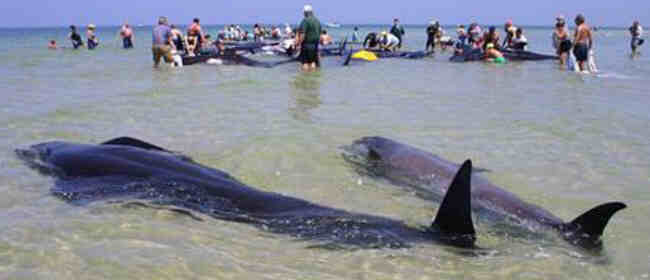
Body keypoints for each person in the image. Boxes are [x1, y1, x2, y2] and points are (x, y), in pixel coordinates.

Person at [295, 5, 322, 71]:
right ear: (312, 12)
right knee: (313, 63)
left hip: (306, 45)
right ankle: (313, 78)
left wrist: (298, 44)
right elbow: (320, 35)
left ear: (305, 13)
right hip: (315, 45)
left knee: (305, 63)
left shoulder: (305, 21)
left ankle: (306, 79)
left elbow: (303, 34)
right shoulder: (317, 21)